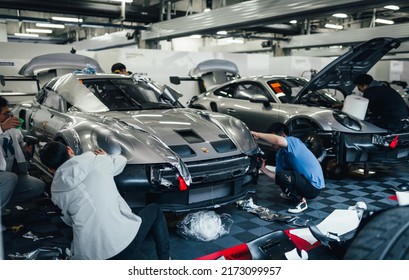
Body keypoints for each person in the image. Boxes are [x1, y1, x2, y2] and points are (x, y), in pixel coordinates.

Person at [39, 141, 170, 260]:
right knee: (155, 210)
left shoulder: (55, 192)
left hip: (92, 257)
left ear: (50, 169)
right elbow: (121, 161)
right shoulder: (97, 161)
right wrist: (106, 156)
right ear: (70, 150)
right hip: (125, 243)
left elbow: (68, 221)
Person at [251, 124, 325, 214]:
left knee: (283, 176)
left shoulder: (293, 141)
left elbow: (277, 140)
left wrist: (257, 134)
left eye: (272, 137)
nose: (271, 142)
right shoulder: (280, 154)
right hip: (303, 183)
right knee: (281, 176)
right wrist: (262, 168)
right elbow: (277, 177)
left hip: (314, 188)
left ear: (283, 136)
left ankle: (301, 202)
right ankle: (294, 195)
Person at [0, 96, 45, 231]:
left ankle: (2, 204)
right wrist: (1, 128)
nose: (10, 115)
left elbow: (20, 146)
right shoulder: (4, 127)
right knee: (9, 178)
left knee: (37, 186)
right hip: (4, 177)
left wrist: (26, 148)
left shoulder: (13, 130)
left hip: (6, 178)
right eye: (6, 113)